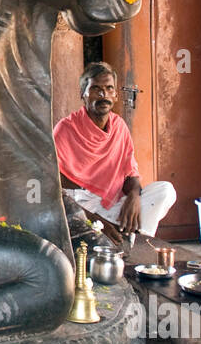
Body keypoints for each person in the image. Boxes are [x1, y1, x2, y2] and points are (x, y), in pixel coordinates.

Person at [54, 62, 175, 237]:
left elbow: (131, 174)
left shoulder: (119, 126)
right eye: (96, 89)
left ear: (116, 95)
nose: (104, 95)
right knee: (70, 213)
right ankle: (126, 236)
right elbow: (53, 187)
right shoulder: (65, 129)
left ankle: (130, 236)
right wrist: (94, 220)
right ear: (83, 94)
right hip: (80, 206)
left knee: (165, 190)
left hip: (111, 206)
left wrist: (134, 196)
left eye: (110, 88)